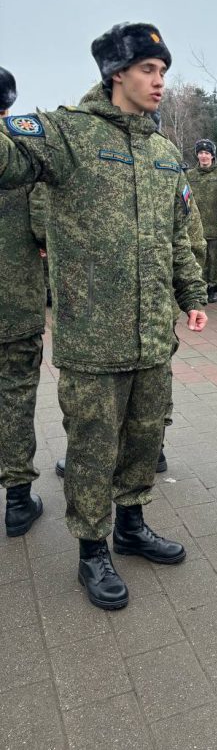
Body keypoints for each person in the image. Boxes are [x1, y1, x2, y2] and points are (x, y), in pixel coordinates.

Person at [0, 22, 208, 610]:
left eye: (163, 71)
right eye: (148, 69)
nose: (159, 81)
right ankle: (93, 549)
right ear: (117, 73)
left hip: (151, 336)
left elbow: (176, 238)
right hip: (93, 339)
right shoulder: (68, 134)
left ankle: (132, 525)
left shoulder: (164, 153)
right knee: (92, 448)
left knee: (143, 437)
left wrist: (192, 297)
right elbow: (7, 163)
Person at [0, 67, 45, 537]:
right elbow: (42, 226)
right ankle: (16, 501)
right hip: (13, 305)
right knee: (14, 396)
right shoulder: (22, 144)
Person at [186, 139, 217, 303]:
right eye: (200, 153)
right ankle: (200, 288)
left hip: (216, 226)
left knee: (215, 259)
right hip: (195, 227)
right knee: (198, 258)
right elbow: (184, 199)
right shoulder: (189, 175)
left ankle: (212, 287)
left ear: (212, 155)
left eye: (207, 153)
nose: (203, 156)